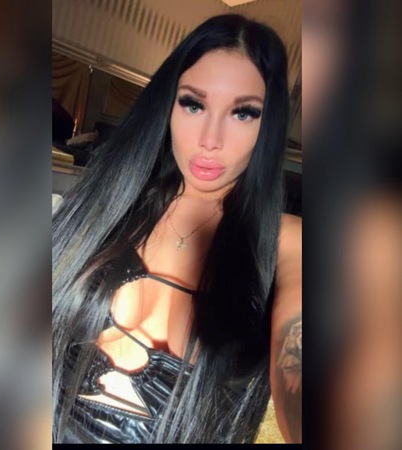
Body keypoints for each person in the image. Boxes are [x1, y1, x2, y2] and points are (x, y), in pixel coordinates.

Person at [52, 14, 302, 444]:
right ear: (168, 104)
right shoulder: (111, 203)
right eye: (193, 104)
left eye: (243, 113)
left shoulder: (286, 243)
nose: (210, 139)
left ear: (269, 124)